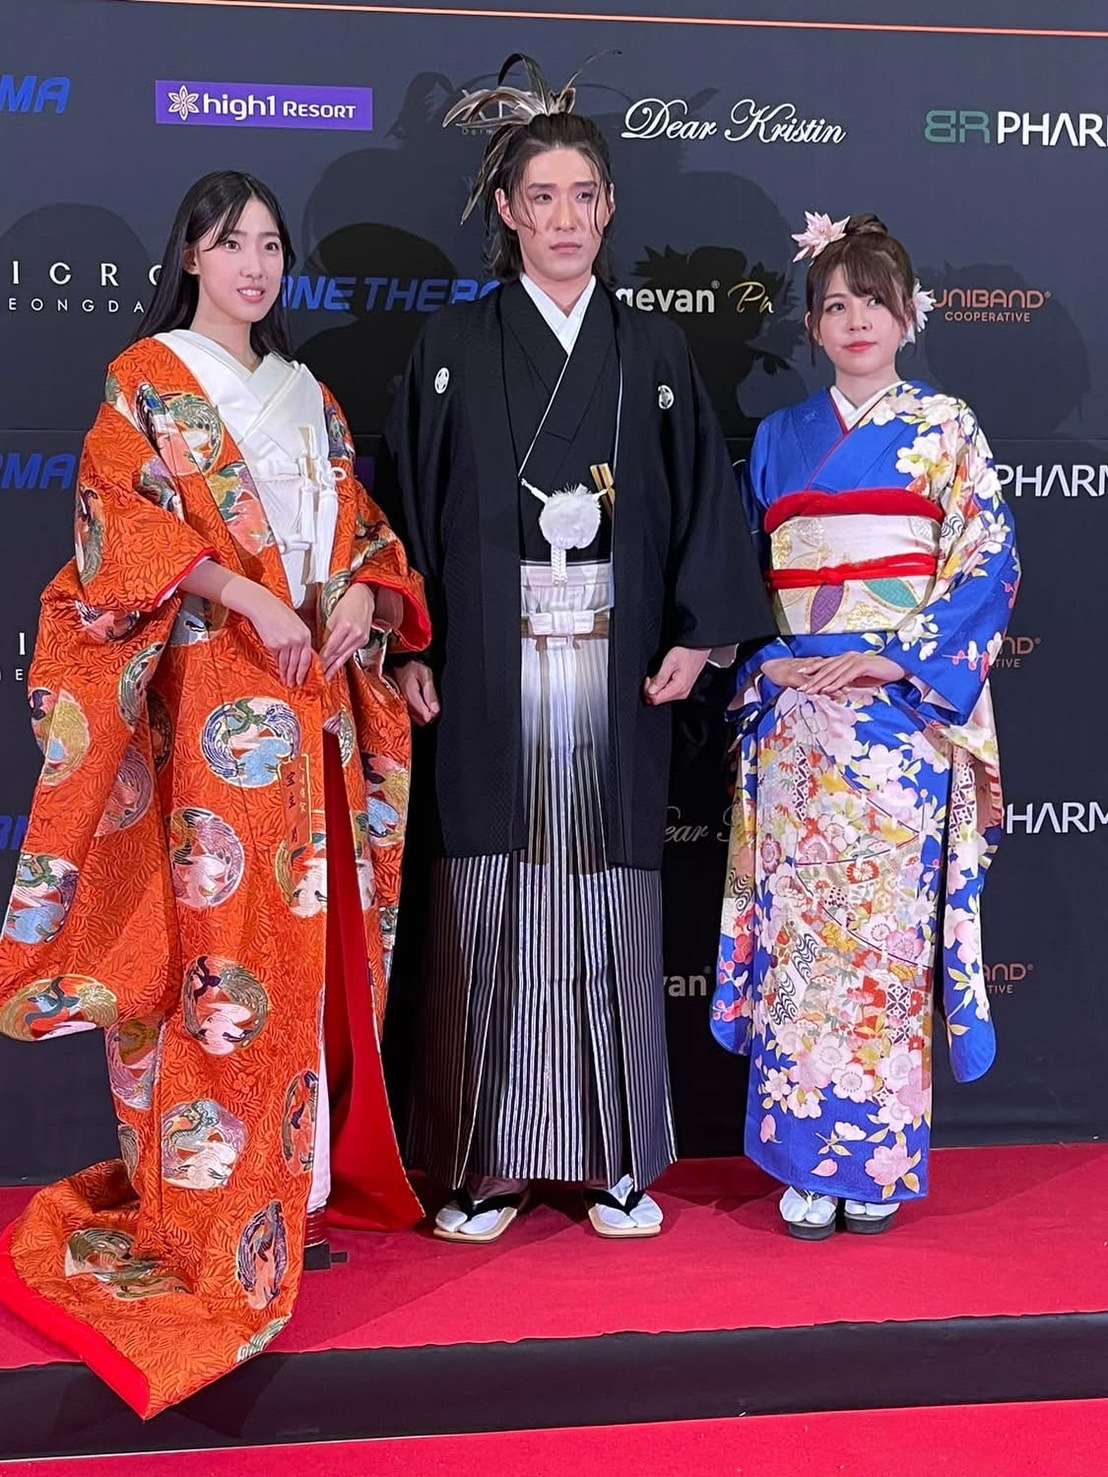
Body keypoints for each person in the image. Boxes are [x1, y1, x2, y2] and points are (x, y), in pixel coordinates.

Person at [0, 171, 430, 1415]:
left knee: (304, 942)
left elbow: (359, 530)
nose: (254, 264)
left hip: (314, 704)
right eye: (231, 242)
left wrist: (362, 597)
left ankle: (294, 1196)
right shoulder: (146, 378)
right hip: (210, 699)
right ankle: (200, 1202)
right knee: (214, 939)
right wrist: (242, 593)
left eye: (270, 245)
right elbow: (117, 528)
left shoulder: (308, 393)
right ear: (189, 253)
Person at [381, 55, 771, 1244]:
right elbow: (403, 507)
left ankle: (611, 1159)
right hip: (486, 670)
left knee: (607, 899)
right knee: (487, 900)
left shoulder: (650, 352)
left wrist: (701, 637)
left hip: (615, 664)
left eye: (583, 196)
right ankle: (486, 1163)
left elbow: (700, 498)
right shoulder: (450, 347)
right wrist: (407, 644)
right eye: (541, 196)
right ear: (506, 210)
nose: (563, 218)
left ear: (608, 210)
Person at [711, 212, 1019, 1239]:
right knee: (804, 934)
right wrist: (772, 660)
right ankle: (802, 1155)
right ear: (811, 324)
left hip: (895, 717)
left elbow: (988, 559)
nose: (855, 321)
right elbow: (745, 576)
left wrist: (895, 656)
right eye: (834, 304)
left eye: (873, 302)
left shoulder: (946, 427)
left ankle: (875, 1154)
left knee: (881, 936)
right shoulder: (779, 439)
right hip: (801, 713)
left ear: (908, 316)